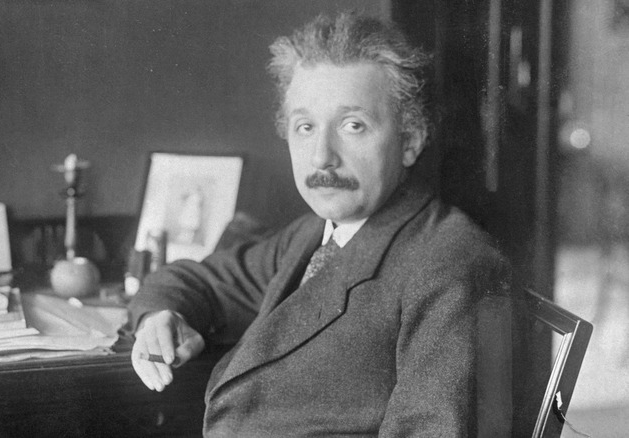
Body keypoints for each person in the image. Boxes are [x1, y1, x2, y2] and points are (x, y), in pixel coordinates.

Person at [128, 11, 509, 437]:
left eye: (353, 125)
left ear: (411, 140)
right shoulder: (317, 233)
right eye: (305, 126)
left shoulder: (450, 263)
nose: (321, 156)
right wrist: (160, 317)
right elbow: (198, 280)